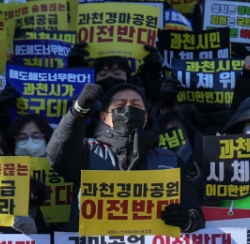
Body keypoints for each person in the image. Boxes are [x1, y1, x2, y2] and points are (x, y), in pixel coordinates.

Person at [48, 82, 205, 233]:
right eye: (120, 105)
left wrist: (186, 220)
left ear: (145, 117)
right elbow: (58, 157)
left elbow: (196, 216)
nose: (128, 109)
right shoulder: (86, 151)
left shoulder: (170, 160)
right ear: (104, 117)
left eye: (136, 105)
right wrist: (78, 111)